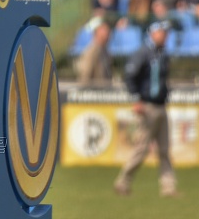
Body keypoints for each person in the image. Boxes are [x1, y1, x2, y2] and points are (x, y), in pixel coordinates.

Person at [114, 20, 177, 197]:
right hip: (147, 106)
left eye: (166, 33)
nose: (165, 36)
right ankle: (123, 181)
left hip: (161, 106)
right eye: (162, 32)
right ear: (153, 33)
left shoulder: (162, 54)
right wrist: (137, 99)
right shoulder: (143, 53)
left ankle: (168, 187)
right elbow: (129, 76)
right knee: (141, 149)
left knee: (164, 150)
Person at [76, 17, 112, 86]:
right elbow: (84, 76)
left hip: (104, 89)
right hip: (93, 90)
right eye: (105, 31)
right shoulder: (91, 52)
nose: (108, 34)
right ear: (97, 32)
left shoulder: (105, 51)